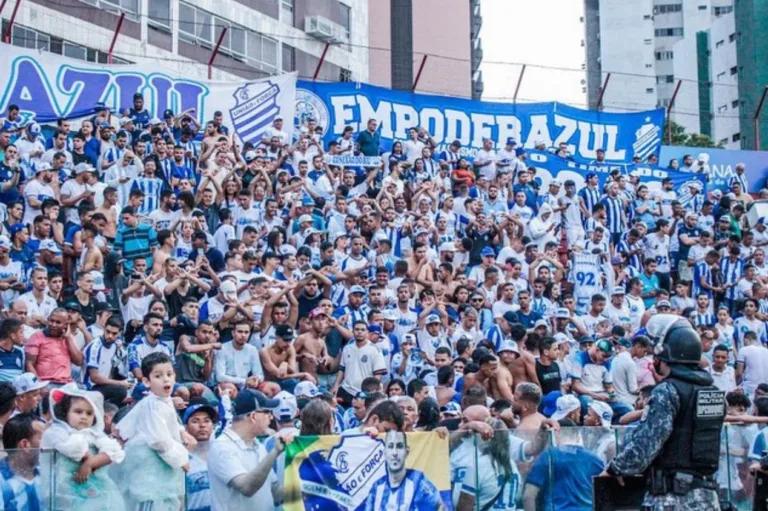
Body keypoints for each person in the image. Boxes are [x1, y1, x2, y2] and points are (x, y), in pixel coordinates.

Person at [601, 314, 725, 510]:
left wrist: (615, 468)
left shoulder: (668, 391)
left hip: (671, 498)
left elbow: (646, 445)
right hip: (707, 498)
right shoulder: (714, 393)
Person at [115, 352, 192, 510]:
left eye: (169, 374)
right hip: (151, 469)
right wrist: (181, 459)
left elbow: (170, 424)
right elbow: (159, 440)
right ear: (146, 381)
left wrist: (181, 431)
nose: (166, 379)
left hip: (162, 469)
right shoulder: (152, 405)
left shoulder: (163, 401)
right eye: (158, 376)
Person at [40, 383, 125, 510]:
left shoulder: (95, 433)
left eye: (89, 413)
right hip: (65, 489)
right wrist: (86, 456)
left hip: (95, 489)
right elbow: (72, 449)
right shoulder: (57, 431)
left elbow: (112, 452)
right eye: (78, 412)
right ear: (65, 412)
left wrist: (90, 463)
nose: (84, 417)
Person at [207, 388, 294, 511]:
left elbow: (277, 495)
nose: (271, 417)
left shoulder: (258, 445)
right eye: (267, 412)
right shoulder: (221, 446)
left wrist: (309, 479)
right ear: (253, 416)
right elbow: (246, 488)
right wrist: (274, 453)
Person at [523, 422, 605, 511]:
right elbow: (605, 497)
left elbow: (528, 496)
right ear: (578, 436)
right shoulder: (595, 460)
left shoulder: (548, 457)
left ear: (555, 435)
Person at [365, 429, 444, 510]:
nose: (395, 453)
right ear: (385, 453)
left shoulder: (418, 480)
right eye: (390, 446)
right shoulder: (377, 486)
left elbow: (440, 505)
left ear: (407, 451)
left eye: (399, 446)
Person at [0, 413, 47, 510]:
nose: (49, 444)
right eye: (44, 438)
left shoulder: (46, 474)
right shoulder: (3, 481)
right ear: (25, 445)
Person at [184, 398, 218, 511]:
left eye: (207, 421)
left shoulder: (222, 454)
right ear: (185, 427)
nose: (202, 425)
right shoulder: (181, 458)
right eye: (195, 421)